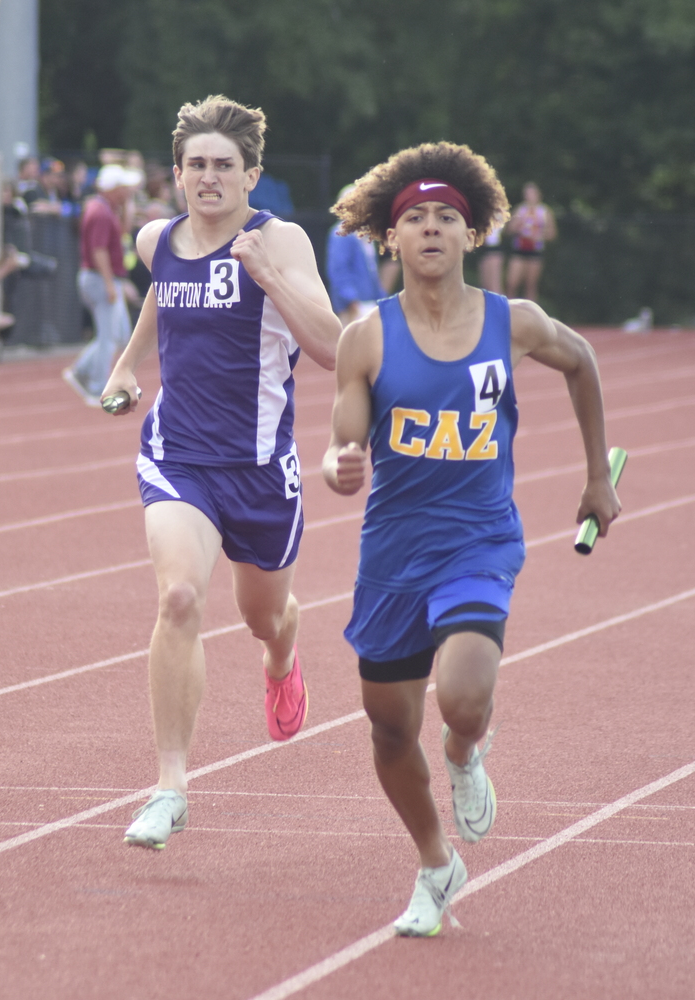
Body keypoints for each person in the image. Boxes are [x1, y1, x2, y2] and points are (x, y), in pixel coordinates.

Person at [322, 143, 619, 936]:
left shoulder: (511, 322)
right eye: (414, 218)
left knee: (462, 696)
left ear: (471, 235)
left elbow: (582, 361)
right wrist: (339, 463)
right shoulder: (367, 338)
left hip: (479, 540)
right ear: (392, 239)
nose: (429, 229)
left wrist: (598, 475)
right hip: (393, 553)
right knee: (388, 726)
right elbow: (343, 437)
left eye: (445, 218)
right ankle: (435, 863)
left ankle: (463, 752)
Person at [101, 95, 342, 850]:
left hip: (263, 471)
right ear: (176, 174)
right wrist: (124, 366)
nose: (209, 177)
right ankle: (171, 785)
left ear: (252, 176)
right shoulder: (156, 240)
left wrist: (270, 276)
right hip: (180, 459)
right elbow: (162, 301)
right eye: (196, 165)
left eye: (224, 166)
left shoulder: (284, 240)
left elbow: (333, 346)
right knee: (177, 598)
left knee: (263, 616)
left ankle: (282, 653)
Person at [62, 164, 141, 406]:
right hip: (100, 278)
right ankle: (97, 387)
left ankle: (80, 370)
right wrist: (109, 283)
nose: (128, 192)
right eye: (124, 188)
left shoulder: (105, 209)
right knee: (109, 336)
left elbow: (123, 232)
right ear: (114, 189)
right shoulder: (100, 213)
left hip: (103, 278)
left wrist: (127, 206)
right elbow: (98, 251)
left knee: (118, 335)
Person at [327, 184, 386, 326]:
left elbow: (372, 273)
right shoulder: (342, 233)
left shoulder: (365, 235)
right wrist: (352, 303)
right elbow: (339, 271)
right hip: (354, 309)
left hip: (369, 305)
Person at [505, 182, 557, 302]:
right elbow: (509, 229)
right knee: (511, 282)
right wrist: (517, 227)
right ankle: (508, 310)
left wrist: (540, 236)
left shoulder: (545, 212)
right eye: (527, 193)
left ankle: (532, 315)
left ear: (538, 195)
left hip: (535, 251)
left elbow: (552, 233)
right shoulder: (520, 209)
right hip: (519, 250)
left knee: (531, 284)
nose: (529, 196)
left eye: (531, 193)